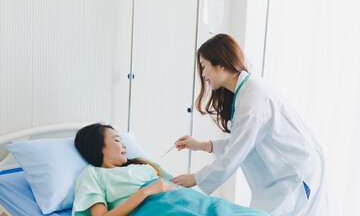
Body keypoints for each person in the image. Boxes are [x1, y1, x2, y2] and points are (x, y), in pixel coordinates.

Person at [170, 34, 329, 215]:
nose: (203, 74)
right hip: (282, 176)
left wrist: (195, 178)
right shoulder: (246, 92)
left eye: (204, 66)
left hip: (294, 175)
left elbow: (236, 153)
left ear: (220, 64)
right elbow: (244, 140)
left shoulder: (252, 101)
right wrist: (203, 146)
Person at [72, 123, 269, 216]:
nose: (124, 145)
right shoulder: (92, 174)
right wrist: (146, 191)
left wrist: (200, 146)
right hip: (153, 209)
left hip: (190, 201)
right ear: (99, 147)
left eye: (123, 140)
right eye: (116, 140)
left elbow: (175, 184)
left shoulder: (142, 164)